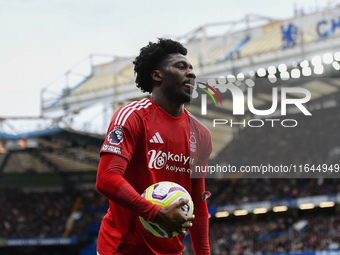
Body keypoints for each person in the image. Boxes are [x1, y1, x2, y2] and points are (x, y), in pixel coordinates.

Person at [96, 38, 212, 255]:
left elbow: (198, 201)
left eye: (191, 68)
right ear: (157, 75)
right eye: (181, 67)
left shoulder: (201, 135)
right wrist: (156, 213)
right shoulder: (132, 117)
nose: (192, 73)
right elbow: (106, 178)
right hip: (122, 249)